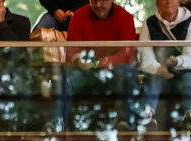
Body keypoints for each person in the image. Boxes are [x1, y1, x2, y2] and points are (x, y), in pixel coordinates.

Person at [53, 0, 140, 131]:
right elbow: (71, 51)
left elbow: (127, 54)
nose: (98, 5)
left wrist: (100, 62)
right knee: (67, 74)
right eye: (94, 1)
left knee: (126, 71)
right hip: (85, 72)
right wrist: (78, 60)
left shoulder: (125, 17)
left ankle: (124, 123)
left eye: (102, 0)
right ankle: (56, 123)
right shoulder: (78, 16)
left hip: (113, 72)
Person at [138, 0, 191, 131]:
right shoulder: (149, 23)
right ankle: (148, 116)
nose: (168, 1)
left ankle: (190, 117)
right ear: (157, 3)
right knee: (152, 79)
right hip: (158, 73)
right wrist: (158, 68)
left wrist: (177, 61)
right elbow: (145, 55)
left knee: (189, 79)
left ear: (179, 2)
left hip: (185, 72)